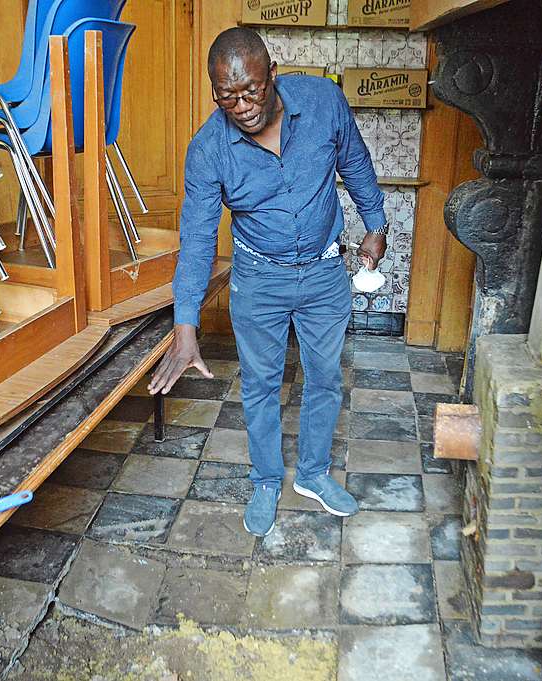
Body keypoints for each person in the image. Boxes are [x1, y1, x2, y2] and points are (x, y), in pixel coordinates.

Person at [148, 27, 388, 537]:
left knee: (324, 376)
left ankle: (315, 474)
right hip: (258, 278)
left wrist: (376, 224)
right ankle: (265, 479)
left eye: (251, 90)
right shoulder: (209, 149)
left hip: (325, 272)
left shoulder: (323, 101)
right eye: (227, 96)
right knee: (260, 384)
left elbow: (356, 162)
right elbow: (195, 241)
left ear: (271, 74)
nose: (242, 106)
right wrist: (185, 325)